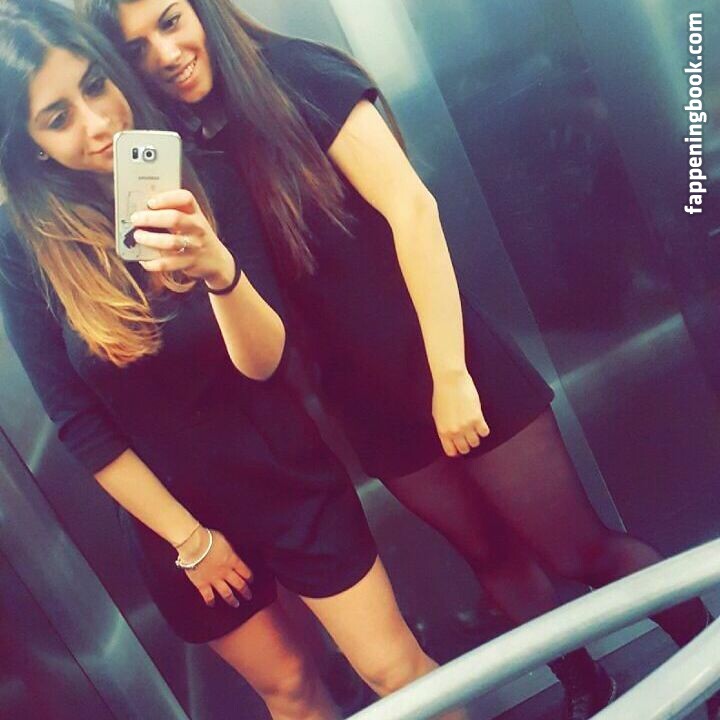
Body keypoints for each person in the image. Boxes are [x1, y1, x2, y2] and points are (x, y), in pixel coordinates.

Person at [78, 2, 720, 718]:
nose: (164, 54)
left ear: (204, 12)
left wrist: (451, 375)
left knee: (578, 552)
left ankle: (709, 664)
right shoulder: (182, 154)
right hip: (363, 403)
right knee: (491, 558)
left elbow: (413, 209)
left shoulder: (297, 75)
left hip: (449, 360)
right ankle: (584, 686)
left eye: (170, 21)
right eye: (136, 48)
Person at [0, 4, 468, 719]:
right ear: (31, 144)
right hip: (174, 522)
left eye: (95, 84)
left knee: (395, 670)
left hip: (287, 479)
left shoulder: (206, 174)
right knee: (292, 692)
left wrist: (220, 272)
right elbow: (79, 423)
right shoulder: (26, 249)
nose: (97, 123)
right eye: (57, 118)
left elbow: (267, 361)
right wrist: (190, 542)